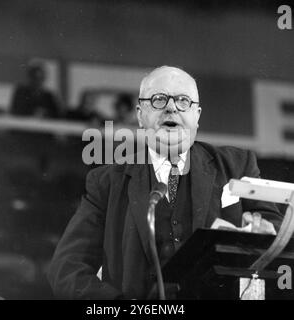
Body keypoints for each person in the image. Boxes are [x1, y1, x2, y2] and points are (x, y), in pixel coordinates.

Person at [48, 66, 283, 300]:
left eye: (183, 101)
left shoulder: (237, 165)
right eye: (159, 100)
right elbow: (66, 269)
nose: (171, 107)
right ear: (140, 115)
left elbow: (278, 232)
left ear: (197, 115)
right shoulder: (107, 182)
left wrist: (266, 236)